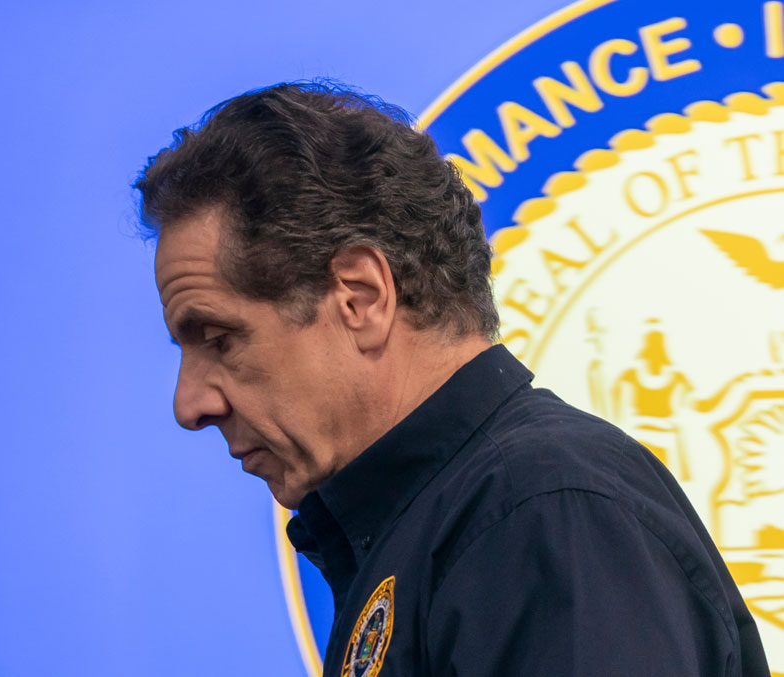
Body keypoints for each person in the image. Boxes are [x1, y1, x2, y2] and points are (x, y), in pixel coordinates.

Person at [135, 82, 769, 676]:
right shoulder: (462, 522)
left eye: (219, 339)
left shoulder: (540, 512)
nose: (188, 404)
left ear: (361, 297)